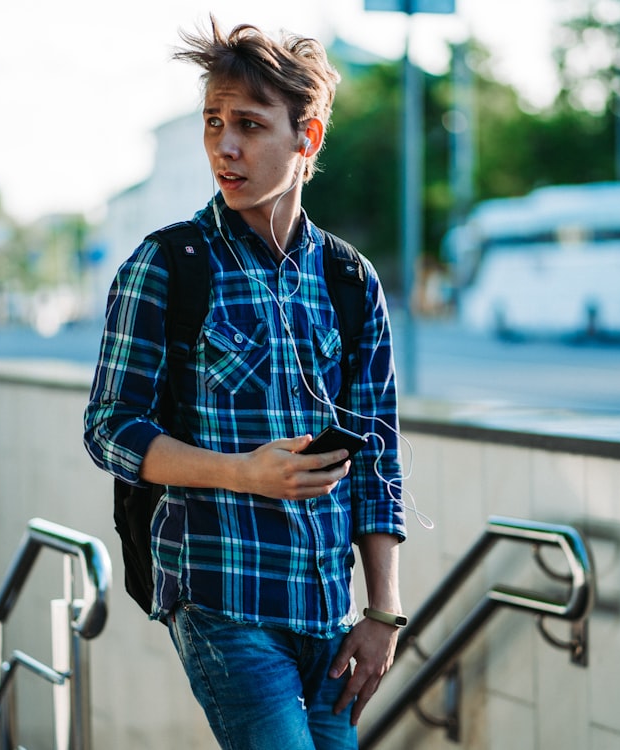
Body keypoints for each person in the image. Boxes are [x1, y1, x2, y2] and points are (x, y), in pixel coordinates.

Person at [83, 16, 406, 750]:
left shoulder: (350, 280)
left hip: (328, 609)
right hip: (220, 598)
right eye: (213, 123)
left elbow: (378, 454)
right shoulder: (166, 266)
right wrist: (243, 475)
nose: (224, 147)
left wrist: (383, 610)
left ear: (307, 139)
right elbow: (109, 426)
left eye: (250, 126)